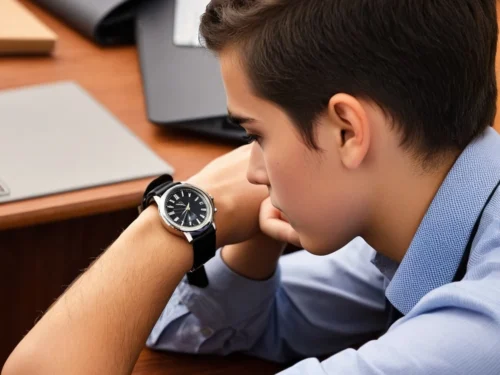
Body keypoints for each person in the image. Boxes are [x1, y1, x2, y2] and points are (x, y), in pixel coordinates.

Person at [3, 0, 500, 374]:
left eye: (255, 134)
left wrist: (171, 218)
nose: (250, 169)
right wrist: (250, 246)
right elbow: (193, 331)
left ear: (347, 131)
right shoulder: (421, 209)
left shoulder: (478, 334)